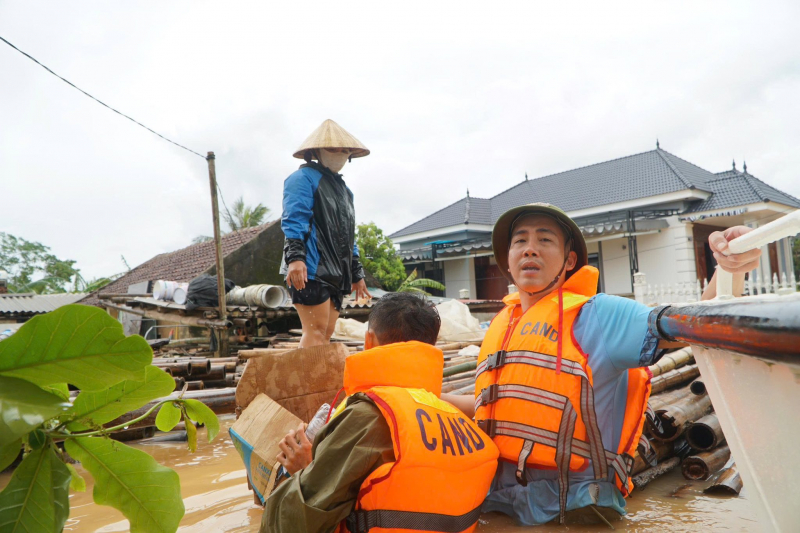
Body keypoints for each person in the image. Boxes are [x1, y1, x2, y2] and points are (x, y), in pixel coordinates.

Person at [443, 203, 760, 525]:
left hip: (574, 512)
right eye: (520, 241)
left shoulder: (600, 315)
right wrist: (421, 398)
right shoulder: (504, 325)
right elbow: (495, 406)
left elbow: (695, 326)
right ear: (508, 261)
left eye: (545, 240)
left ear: (569, 261)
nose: (530, 250)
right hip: (499, 507)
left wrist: (731, 267)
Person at [261, 293, 500, 533]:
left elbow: (293, 523)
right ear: (432, 346)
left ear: (369, 340)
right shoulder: (460, 422)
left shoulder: (366, 417)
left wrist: (303, 471)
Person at [281, 119, 372, 348]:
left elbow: (348, 235)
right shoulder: (301, 179)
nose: (339, 154)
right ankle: (308, 383)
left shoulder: (345, 191)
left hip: (336, 271)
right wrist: (295, 258)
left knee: (325, 334)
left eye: (344, 150)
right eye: (333, 149)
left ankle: (316, 381)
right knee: (315, 332)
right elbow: (295, 219)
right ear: (316, 151)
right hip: (311, 266)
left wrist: (356, 271)